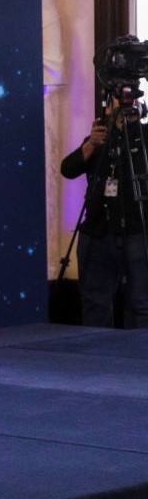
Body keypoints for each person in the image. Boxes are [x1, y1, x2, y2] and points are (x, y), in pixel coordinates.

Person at [61, 92, 148, 328]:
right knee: (95, 304)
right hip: (97, 231)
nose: (125, 103)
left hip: (136, 232)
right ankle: (97, 349)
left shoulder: (144, 137)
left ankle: (138, 349)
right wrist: (90, 144)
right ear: (108, 107)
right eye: (119, 98)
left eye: (131, 98)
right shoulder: (98, 140)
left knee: (140, 304)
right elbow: (68, 169)